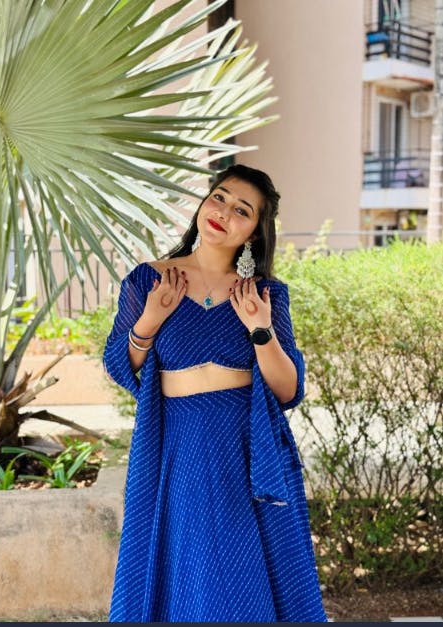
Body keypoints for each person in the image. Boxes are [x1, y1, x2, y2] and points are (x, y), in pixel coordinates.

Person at [103, 164, 327, 622]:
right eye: (219, 198)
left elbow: (288, 390)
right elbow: (118, 365)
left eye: (242, 210)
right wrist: (150, 319)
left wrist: (260, 329)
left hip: (244, 444)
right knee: (190, 565)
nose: (224, 212)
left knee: (244, 570)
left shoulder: (264, 293)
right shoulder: (149, 280)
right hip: (178, 443)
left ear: (254, 232)